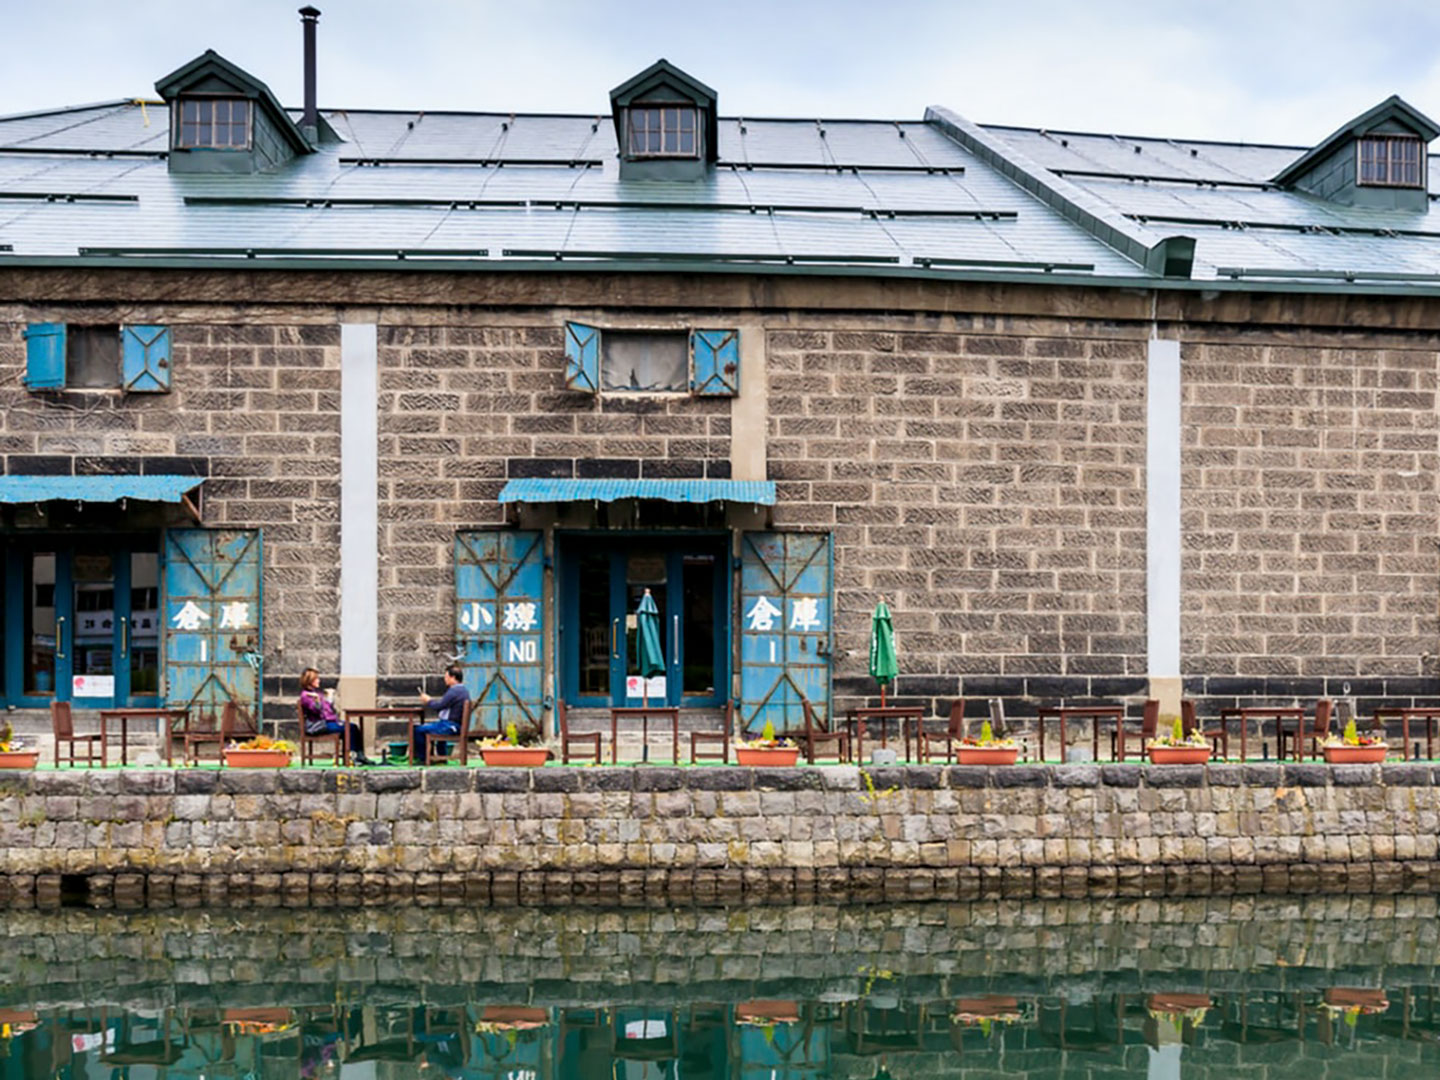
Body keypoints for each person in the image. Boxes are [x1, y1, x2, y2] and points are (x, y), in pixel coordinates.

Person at [298, 668, 375, 765]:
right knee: (349, 728)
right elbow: (316, 710)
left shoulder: (317, 693)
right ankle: (352, 757)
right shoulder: (306, 696)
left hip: (327, 722)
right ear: (310, 680)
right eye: (316, 679)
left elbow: (327, 709)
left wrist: (329, 699)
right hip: (318, 725)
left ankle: (359, 755)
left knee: (353, 727)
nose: (319, 680)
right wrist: (317, 700)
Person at [415, 664, 470, 764]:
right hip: (454, 724)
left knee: (418, 730)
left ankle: (424, 759)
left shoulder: (454, 691)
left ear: (453, 677)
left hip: (451, 726)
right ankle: (440, 758)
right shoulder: (463, 690)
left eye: (446, 676)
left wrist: (428, 701)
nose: (445, 679)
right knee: (434, 726)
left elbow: (439, 706)